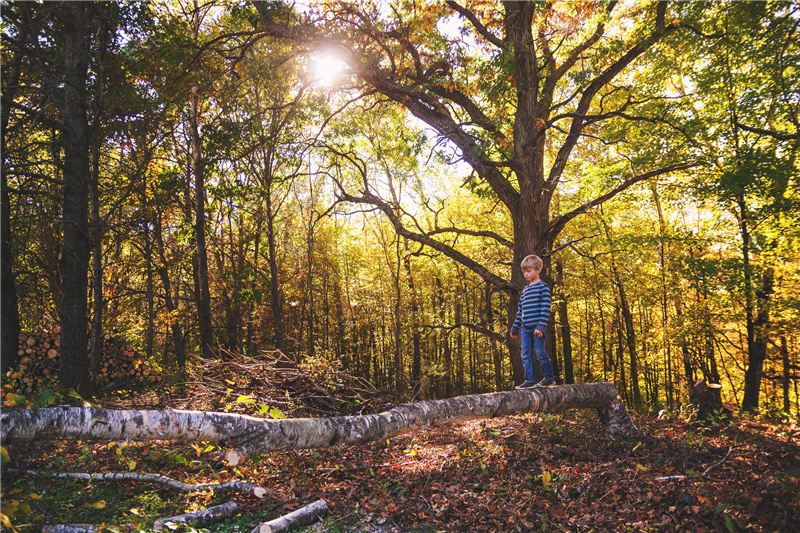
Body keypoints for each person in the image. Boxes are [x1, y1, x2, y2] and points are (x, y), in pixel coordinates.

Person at [509, 254, 556, 389]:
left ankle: (549, 378)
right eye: (524, 272)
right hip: (525, 328)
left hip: (537, 327)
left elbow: (545, 308)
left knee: (540, 353)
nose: (526, 274)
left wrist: (541, 326)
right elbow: (520, 311)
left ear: (538, 269)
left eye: (529, 271)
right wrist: (515, 327)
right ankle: (530, 380)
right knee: (525, 354)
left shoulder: (543, 287)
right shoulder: (525, 291)